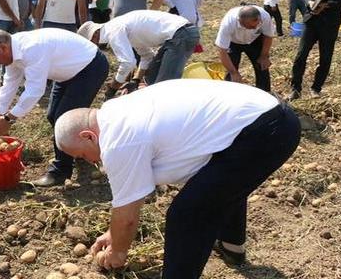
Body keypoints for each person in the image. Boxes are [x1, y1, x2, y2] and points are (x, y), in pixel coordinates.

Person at [54, 80, 300, 278]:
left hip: (266, 130)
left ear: (88, 136)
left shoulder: (118, 139)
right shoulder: (116, 112)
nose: (88, 161)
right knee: (219, 187)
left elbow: (127, 214)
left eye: (82, 155)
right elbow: (130, 199)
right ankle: (231, 247)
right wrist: (113, 233)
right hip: (263, 114)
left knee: (187, 214)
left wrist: (117, 253)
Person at [0, 28, 108, 186]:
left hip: (89, 67)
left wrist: (8, 119)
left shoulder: (32, 49)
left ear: (2, 47)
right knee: (52, 115)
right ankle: (79, 150)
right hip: (66, 71)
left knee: (63, 118)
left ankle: (61, 170)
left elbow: (34, 91)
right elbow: (9, 85)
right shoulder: (11, 52)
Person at [77, 10, 199, 98]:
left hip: (181, 34)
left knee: (163, 87)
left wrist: (113, 87)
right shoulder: (124, 30)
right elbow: (147, 57)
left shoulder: (112, 30)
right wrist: (136, 80)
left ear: (94, 35)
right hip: (178, 34)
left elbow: (128, 63)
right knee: (150, 79)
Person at [215, 5, 275, 91]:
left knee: (262, 66)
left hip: (255, 40)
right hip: (233, 42)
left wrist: (264, 56)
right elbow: (222, 51)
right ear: (240, 22)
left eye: (256, 25)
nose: (255, 28)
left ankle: (264, 93)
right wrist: (233, 72)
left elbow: (268, 36)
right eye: (251, 27)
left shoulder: (264, 16)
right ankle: (229, 94)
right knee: (231, 71)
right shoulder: (228, 23)